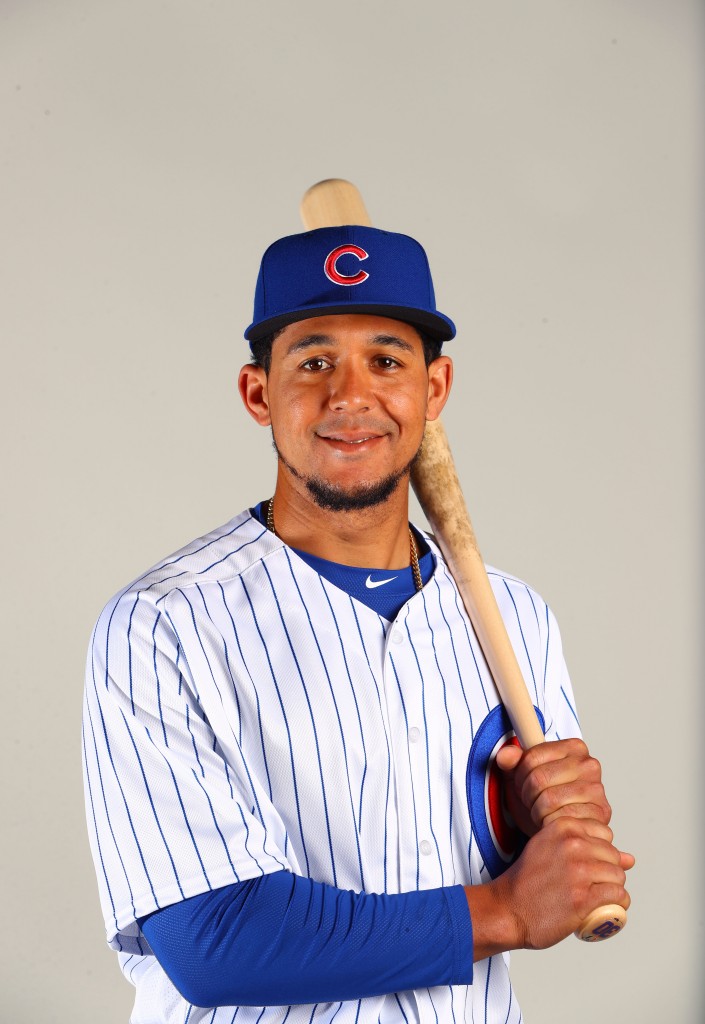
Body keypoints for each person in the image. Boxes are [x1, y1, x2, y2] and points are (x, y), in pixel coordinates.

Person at [82, 225, 633, 1024]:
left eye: (386, 360)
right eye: (312, 362)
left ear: (433, 391)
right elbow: (214, 941)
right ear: (257, 394)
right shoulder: (161, 625)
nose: (350, 395)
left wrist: (529, 828)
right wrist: (506, 911)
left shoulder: (514, 616)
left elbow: (536, 874)